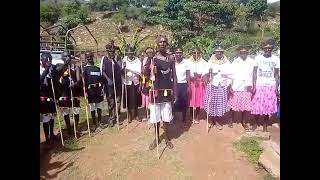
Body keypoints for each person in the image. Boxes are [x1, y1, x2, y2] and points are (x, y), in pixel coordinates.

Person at [144, 35, 176, 150]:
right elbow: (146, 75)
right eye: (160, 42)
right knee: (155, 117)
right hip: (155, 92)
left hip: (167, 92)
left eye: (164, 42)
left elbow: (174, 76)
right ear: (157, 44)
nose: (162, 43)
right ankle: (157, 138)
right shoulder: (152, 58)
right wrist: (150, 67)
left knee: (166, 117)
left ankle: (167, 138)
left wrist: (175, 92)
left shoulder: (171, 58)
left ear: (166, 44)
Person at [251, 40, 280, 132]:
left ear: (272, 49)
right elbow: (254, 72)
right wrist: (254, 85)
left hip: (270, 85)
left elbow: (276, 75)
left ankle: (264, 125)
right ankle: (255, 123)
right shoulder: (258, 58)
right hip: (259, 84)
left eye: (270, 48)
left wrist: (276, 87)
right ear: (263, 49)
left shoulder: (276, 59)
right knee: (257, 105)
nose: (268, 49)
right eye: (266, 48)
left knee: (267, 107)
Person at [204, 46, 233, 130]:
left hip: (222, 85)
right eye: (217, 51)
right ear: (215, 52)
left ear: (223, 52)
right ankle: (210, 120)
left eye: (221, 51)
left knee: (219, 104)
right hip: (212, 85)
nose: (219, 53)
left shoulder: (226, 62)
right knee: (211, 103)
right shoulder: (210, 61)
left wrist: (228, 84)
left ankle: (218, 121)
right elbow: (205, 74)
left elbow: (230, 75)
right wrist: (207, 83)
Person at [228, 46, 255, 130]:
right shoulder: (235, 62)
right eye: (241, 52)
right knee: (233, 105)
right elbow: (230, 75)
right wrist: (230, 85)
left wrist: (254, 84)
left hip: (247, 86)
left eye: (245, 52)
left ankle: (243, 121)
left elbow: (254, 74)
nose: (243, 54)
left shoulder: (252, 62)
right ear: (239, 53)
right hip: (236, 86)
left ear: (247, 53)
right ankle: (230, 120)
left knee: (245, 106)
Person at [58, 51, 83, 136]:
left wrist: (74, 84)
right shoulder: (60, 67)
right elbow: (57, 78)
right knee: (66, 111)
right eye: (66, 57)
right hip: (64, 93)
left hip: (74, 92)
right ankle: (69, 128)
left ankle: (76, 128)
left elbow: (78, 79)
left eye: (69, 57)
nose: (68, 58)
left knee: (76, 110)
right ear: (63, 58)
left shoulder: (75, 67)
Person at [101, 44, 122, 127]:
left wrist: (114, 60)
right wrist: (108, 79)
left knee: (118, 101)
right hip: (109, 85)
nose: (110, 52)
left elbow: (120, 68)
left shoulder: (118, 58)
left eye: (112, 51)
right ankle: (111, 118)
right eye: (109, 50)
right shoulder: (104, 58)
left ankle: (117, 117)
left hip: (117, 84)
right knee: (111, 102)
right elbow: (102, 71)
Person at [83, 51, 104, 131]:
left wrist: (102, 87)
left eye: (91, 57)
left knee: (99, 107)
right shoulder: (85, 69)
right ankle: (94, 124)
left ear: (93, 57)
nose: (89, 58)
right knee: (92, 108)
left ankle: (99, 122)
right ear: (86, 58)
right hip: (90, 91)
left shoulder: (98, 69)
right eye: (88, 57)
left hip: (98, 90)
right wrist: (85, 92)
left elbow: (101, 79)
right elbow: (84, 81)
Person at [40, 52, 57, 145]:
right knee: (46, 117)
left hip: (51, 95)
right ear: (42, 60)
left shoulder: (52, 69)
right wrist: (46, 69)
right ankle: (46, 138)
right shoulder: (40, 69)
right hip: (43, 96)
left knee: (52, 115)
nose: (49, 62)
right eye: (47, 60)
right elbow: (41, 79)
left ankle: (52, 134)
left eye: (50, 60)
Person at [122, 46, 142, 123]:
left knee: (136, 99)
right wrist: (124, 69)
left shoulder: (137, 61)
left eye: (131, 53)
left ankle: (136, 115)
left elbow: (139, 72)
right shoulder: (124, 60)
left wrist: (130, 70)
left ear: (133, 53)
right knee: (128, 99)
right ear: (126, 53)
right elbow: (122, 72)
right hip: (127, 82)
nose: (130, 55)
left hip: (135, 82)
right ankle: (129, 115)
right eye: (128, 53)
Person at [187, 47, 207, 124]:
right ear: (191, 53)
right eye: (194, 53)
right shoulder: (188, 61)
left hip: (199, 83)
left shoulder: (203, 62)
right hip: (192, 83)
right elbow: (187, 72)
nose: (196, 54)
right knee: (191, 100)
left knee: (198, 100)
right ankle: (191, 116)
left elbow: (205, 72)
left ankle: (197, 116)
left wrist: (200, 75)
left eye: (198, 53)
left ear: (200, 53)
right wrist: (192, 76)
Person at [173, 48, 190, 127]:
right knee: (174, 101)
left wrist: (189, 86)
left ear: (182, 53)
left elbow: (188, 75)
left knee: (184, 101)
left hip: (183, 84)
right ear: (175, 53)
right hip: (174, 84)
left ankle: (184, 118)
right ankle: (173, 117)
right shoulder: (172, 62)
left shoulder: (186, 62)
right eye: (177, 52)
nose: (179, 54)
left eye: (180, 52)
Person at [141, 47, 155, 120]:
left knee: (153, 97)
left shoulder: (155, 59)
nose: (150, 54)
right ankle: (146, 114)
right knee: (146, 97)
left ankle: (154, 113)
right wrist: (149, 61)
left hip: (155, 81)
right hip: (147, 81)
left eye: (151, 53)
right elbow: (144, 72)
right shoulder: (145, 60)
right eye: (148, 53)